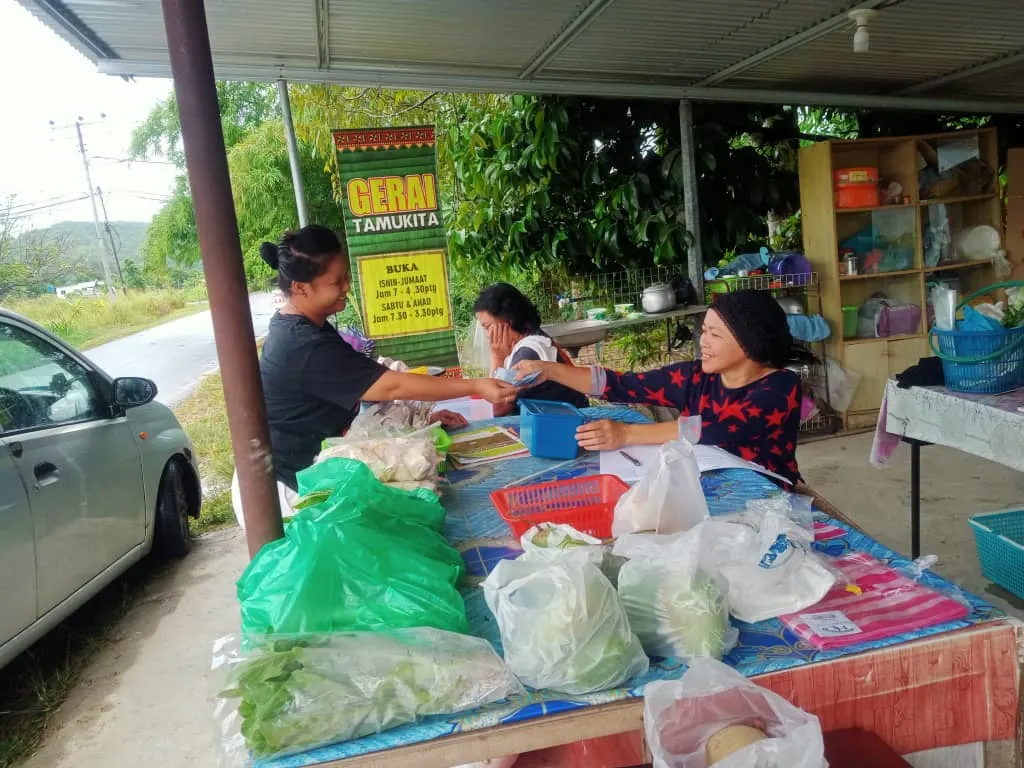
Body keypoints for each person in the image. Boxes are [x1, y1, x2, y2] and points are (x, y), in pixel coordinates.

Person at [238, 225, 517, 512]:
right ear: (300, 287)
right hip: (294, 490)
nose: (347, 286)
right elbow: (391, 385)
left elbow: (360, 391)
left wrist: (416, 423)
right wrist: (476, 386)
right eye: (337, 281)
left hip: (312, 468)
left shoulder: (308, 327)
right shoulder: (302, 343)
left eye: (346, 276)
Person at [513, 289, 816, 485]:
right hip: (708, 486)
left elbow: (713, 427)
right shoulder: (696, 377)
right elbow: (623, 385)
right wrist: (550, 370)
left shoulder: (779, 387)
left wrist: (626, 434)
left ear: (750, 341)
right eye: (704, 331)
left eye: (715, 334)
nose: (703, 341)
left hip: (769, 499)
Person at [473, 283, 589, 416]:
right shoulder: (535, 338)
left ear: (508, 322)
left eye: (487, 327)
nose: (487, 335)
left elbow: (496, 409)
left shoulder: (528, 352)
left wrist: (497, 357)